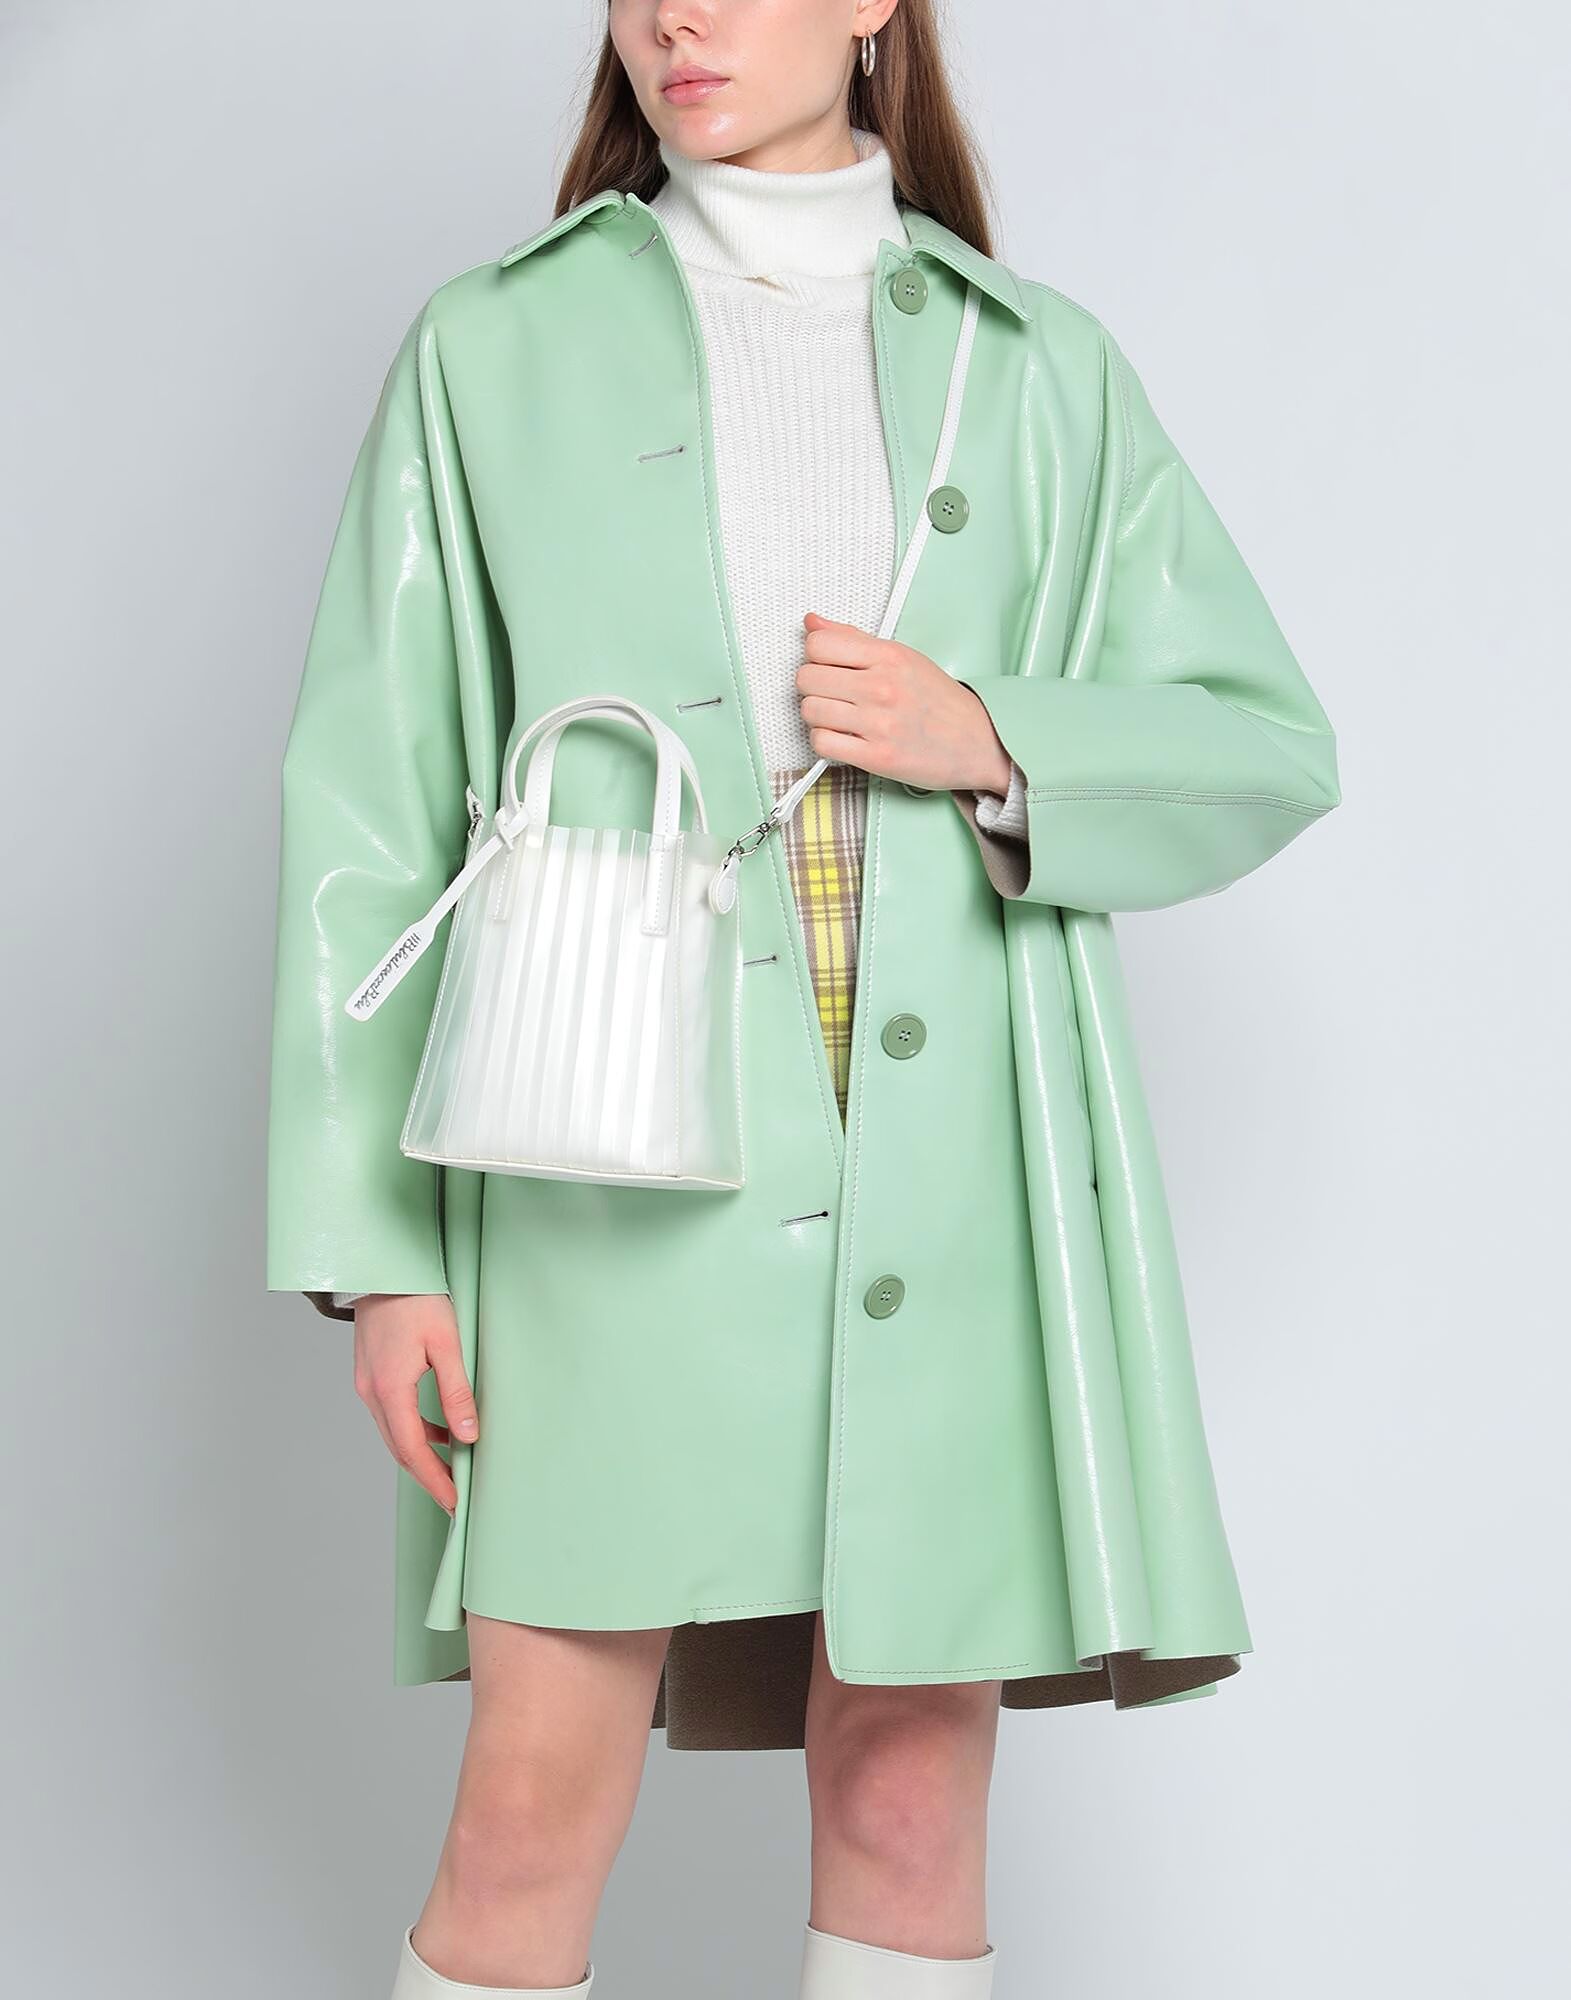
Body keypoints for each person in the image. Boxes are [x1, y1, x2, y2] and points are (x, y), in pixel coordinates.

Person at [266, 4, 1341, 1995]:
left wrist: (990, 736)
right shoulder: (495, 346)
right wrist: (377, 1252)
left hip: (950, 1147)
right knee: (533, 1797)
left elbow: (1265, 738)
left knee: (912, 1792)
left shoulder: (1035, 367)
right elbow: (371, 802)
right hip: (605, 1137)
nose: (676, 17)